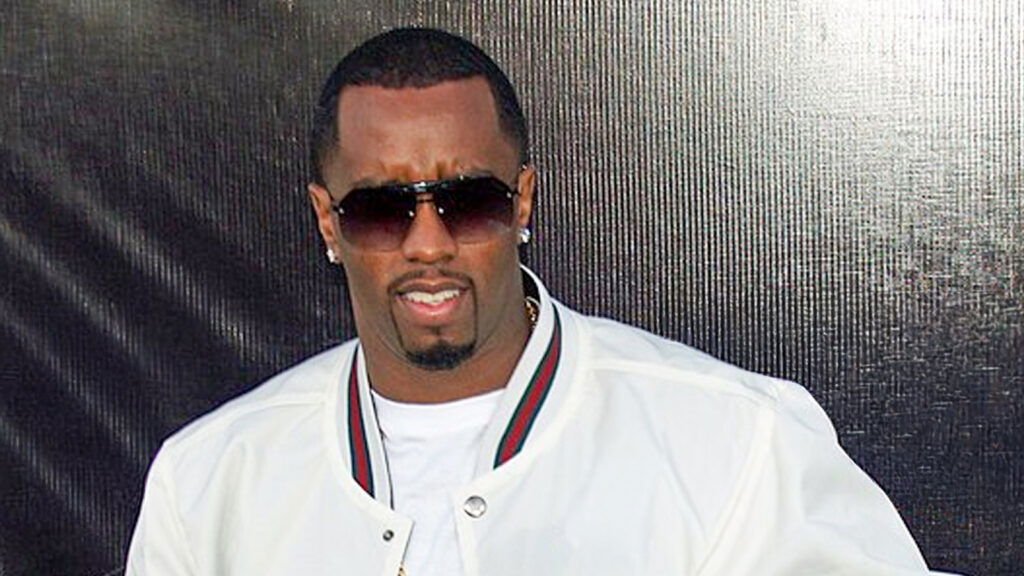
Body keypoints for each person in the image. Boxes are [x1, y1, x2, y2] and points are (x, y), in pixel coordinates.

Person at [126, 27, 956, 576]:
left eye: (469, 201)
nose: (428, 244)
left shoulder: (732, 442)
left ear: (523, 202)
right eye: (381, 209)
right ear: (326, 221)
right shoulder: (210, 482)